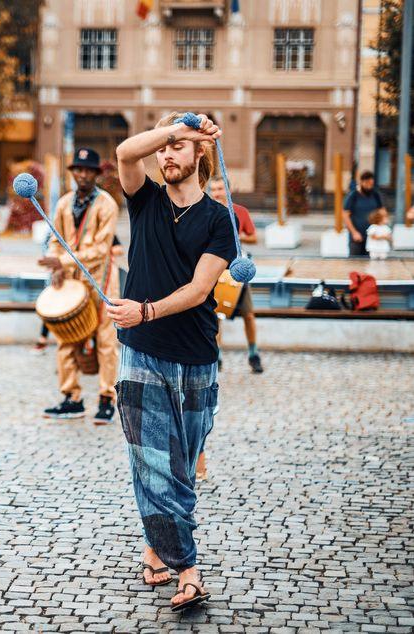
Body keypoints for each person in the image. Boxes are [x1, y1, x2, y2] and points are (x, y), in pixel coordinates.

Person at [110, 112, 235, 611]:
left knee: (179, 468)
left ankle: (156, 547)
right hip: (140, 355)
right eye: (164, 147)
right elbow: (124, 153)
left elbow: (200, 289)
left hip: (197, 361)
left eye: (179, 148)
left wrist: (146, 310)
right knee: (150, 462)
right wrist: (176, 128)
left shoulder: (218, 220)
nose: (167, 155)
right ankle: (189, 570)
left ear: (198, 155)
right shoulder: (143, 200)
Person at [40, 148, 120, 424]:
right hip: (71, 281)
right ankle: (71, 397)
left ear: (96, 174)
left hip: (102, 281)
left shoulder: (107, 204)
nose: (83, 175)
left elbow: (101, 248)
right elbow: (54, 239)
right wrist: (55, 267)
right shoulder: (63, 203)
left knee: (106, 341)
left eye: (88, 170)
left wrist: (60, 260)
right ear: (73, 172)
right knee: (65, 337)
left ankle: (107, 398)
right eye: (78, 170)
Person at [208, 177, 263, 374]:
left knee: (248, 314)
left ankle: (253, 354)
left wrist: (235, 235)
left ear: (228, 190)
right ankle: (217, 356)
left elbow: (254, 237)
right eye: (213, 189)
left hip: (236, 269)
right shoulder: (207, 211)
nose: (216, 193)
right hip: (215, 269)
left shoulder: (240, 211)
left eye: (220, 188)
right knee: (216, 316)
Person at [343, 171, 386, 257]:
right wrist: (354, 232)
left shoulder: (375, 195)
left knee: (370, 264)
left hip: (372, 237)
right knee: (355, 262)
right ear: (362, 182)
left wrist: (382, 228)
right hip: (357, 236)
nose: (370, 186)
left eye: (371, 184)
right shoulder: (353, 195)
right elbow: (345, 215)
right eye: (368, 184)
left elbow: (382, 211)